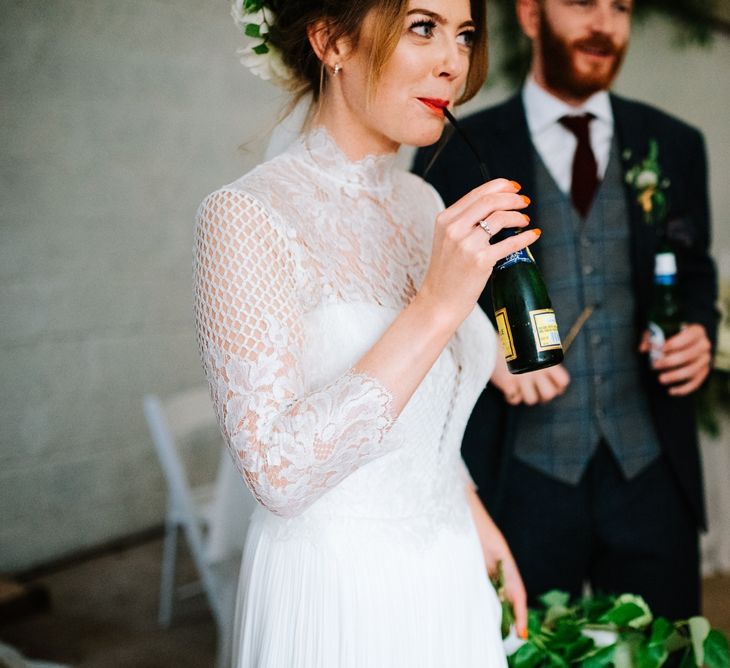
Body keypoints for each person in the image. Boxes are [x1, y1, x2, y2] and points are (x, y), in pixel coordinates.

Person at [193, 0, 541, 664]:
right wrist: (436, 308)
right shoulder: (245, 217)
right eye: (423, 27)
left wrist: (473, 516)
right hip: (339, 592)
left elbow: (420, 415)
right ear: (332, 42)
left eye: (464, 35)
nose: (454, 64)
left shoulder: (423, 204)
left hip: (448, 566)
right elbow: (278, 475)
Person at [414, 0, 719, 620]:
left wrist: (698, 332)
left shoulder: (675, 144)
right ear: (530, 16)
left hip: (651, 473)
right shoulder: (455, 152)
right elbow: (424, 296)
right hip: (521, 476)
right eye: (582, 3)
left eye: (622, 8)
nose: (604, 24)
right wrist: (485, 344)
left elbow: (694, 271)